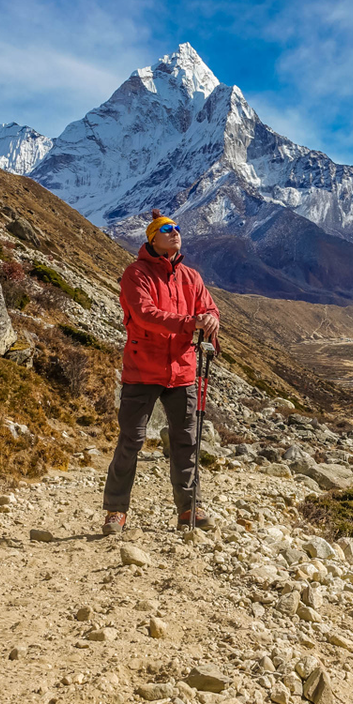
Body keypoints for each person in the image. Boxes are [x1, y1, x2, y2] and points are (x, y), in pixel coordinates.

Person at [102, 209, 221, 535]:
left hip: (182, 371)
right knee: (131, 440)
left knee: (186, 442)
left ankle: (189, 509)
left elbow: (208, 307)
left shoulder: (191, 277)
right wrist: (189, 323)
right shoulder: (135, 274)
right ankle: (115, 510)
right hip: (142, 370)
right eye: (167, 228)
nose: (175, 232)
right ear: (152, 238)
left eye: (177, 227)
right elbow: (144, 315)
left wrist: (211, 319)